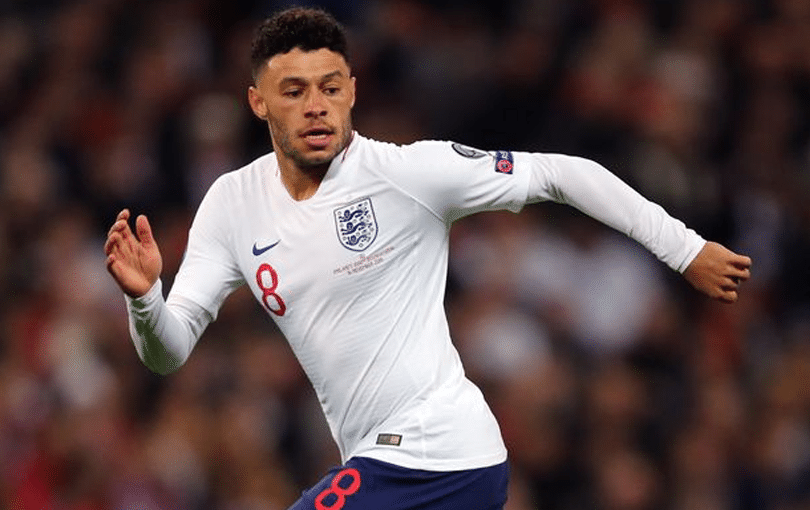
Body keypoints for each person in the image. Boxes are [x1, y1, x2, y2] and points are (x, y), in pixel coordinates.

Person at [104, 7, 752, 510]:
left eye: (329, 87)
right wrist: (144, 298)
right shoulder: (232, 203)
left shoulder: (406, 174)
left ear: (352, 91)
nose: (315, 106)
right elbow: (168, 351)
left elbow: (562, 173)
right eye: (293, 91)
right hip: (384, 464)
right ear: (258, 102)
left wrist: (685, 248)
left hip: (439, 452)